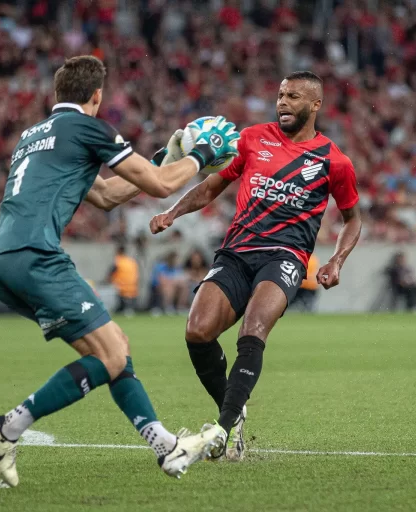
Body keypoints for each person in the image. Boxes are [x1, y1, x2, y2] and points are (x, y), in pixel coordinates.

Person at [0, 55, 239, 486]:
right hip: (37, 255)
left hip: (3, 260)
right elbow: (161, 187)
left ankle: (165, 446)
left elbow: (103, 193)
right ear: (97, 96)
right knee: (112, 354)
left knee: (113, 348)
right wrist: (200, 154)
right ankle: (8, 427)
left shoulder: (33, 135)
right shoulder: (88, 127)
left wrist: (159, 159)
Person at [149, 71, 362, 461]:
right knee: (197, 331)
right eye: (280, 95)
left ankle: (224, 430)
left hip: (285, 256)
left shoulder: (335, 161)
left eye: (293, 96)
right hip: (236, 251)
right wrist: (173, 211)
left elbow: (353, 219)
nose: (283, 102)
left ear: (315, 105)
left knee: (254, 328)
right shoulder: (251, 139)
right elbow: (212, 186)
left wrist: (336, 260)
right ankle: (233, 410)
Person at [107, 245, 139, 315]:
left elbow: (109, 276)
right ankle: (128, 309)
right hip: (133, 290)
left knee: (107, 288)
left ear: (117, 251)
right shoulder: (132, 261)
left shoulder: (118, 261)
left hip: (121, 290)